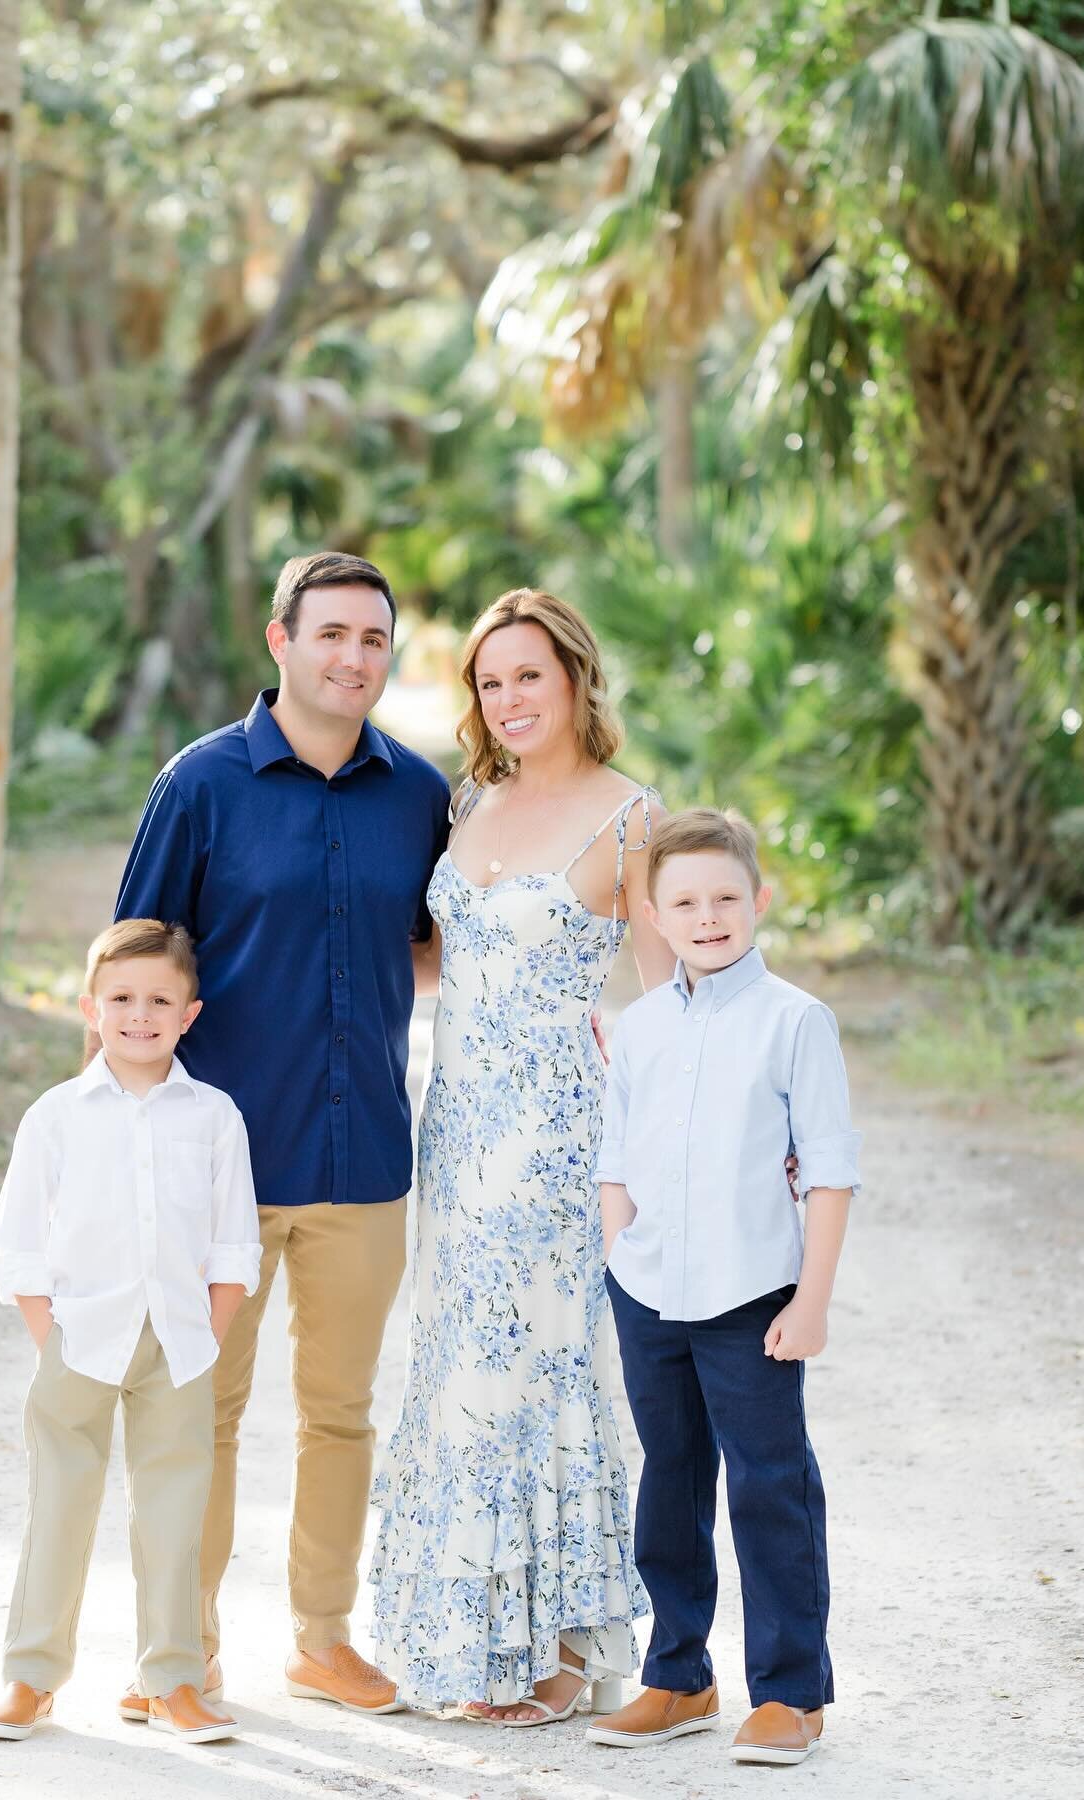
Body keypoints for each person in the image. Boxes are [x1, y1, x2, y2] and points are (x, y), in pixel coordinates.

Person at [113, 551, 451, 1717]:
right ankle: (179, 1651)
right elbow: (135, 969)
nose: (355, 658)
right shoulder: (198, 786)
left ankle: (320, 1637)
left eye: (374, 639)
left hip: (364, 1163)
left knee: (341, 1413)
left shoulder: (419, 794)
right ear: (280, 641)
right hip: (221, 1168)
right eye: (333, 635)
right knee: (196, 1411)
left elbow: (443, 942)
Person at [369, 587, 673, 1725]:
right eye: (490, 683)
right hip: (457, 1130)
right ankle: (462, 1637)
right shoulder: (467, 803)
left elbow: (657, 996)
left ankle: (551, 1651)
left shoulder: (630, 817)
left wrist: (663, 1152)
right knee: (457, 1371)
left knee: (542, 1373)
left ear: (576, 681)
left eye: (527, 676)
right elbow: (451, 964)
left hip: (557, 1139)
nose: (508, 699)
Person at [587, 807, 860, 1767]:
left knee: (769, 1485)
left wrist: (810, 1301)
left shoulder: (795, 1021)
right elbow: (617, 1154)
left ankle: (791, 1693)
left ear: (760, 900)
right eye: (686, 902)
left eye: (726, 898)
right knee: (669, 1483)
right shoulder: (646, 1026)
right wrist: (625, 1257)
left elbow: (828, 1171)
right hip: (650, 1292)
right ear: (654, 915)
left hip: (753, 1294)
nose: (708, 917)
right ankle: (679, 1675)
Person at [0, 919, 260, 1745]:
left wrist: (210, 1328)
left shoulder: (214, 1116)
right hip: (78, 1340)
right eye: (123, 999)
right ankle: (30, 1678)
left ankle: (171, 1680)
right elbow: (17, 1243)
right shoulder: (57, 1116)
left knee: (173, 1517)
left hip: (180, 1342)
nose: (141, 1014)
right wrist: (48, 1338)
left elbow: (235, 1239)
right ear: (92, 1011)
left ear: (190, 1014)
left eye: (160, 999)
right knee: (60, 1506)